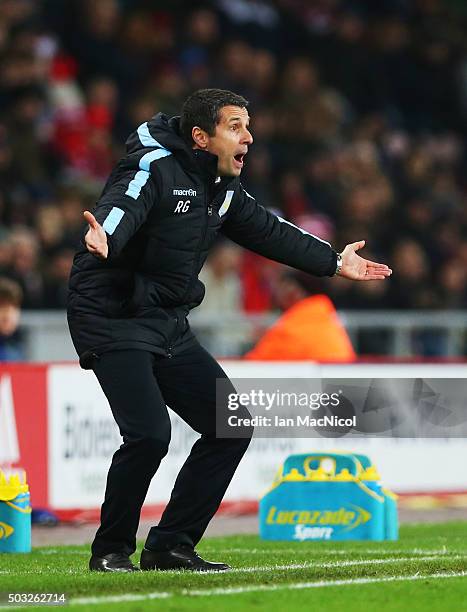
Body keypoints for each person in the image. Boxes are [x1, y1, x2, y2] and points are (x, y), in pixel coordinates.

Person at [67, 88, 392, 573]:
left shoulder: (220, 189)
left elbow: (270, 230)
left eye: (248, 126)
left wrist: (333, 261)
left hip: (167, 321)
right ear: (201, 137)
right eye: (235, 127)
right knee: (150, 435)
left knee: (230, 426)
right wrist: (106, 234)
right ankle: (111, 551)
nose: (249, 137)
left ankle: (170, 545)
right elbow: (122, 204)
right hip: (112, 312)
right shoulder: (152, 166)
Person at [245, 271, 356, 361]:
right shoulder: (325, 315)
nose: (276, 293)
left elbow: (255, 363)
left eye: (281, 286)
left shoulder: (291, 326)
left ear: (294, 291)